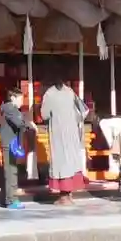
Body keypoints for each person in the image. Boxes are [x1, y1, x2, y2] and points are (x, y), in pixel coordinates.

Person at [39, 75, 90, 204]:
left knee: (61, 162)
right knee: (71, 160)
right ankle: (69, 194)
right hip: (72, 132)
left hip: (58, 132)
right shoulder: (70, 92)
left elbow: (44, 114)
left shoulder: (49, 94)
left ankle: (64, 196)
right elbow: (84, 110)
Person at [0, 87, 33, 210]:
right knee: (11, 171)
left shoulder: (11, 109)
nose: (22, 102)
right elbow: (19, 123)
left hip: (11, 142)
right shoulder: (10, 108)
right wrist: (28, 124)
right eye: (20, 99)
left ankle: (6, 198)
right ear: (13, 98)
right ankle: (11, 200)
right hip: (9, 142)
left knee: (10, 170)